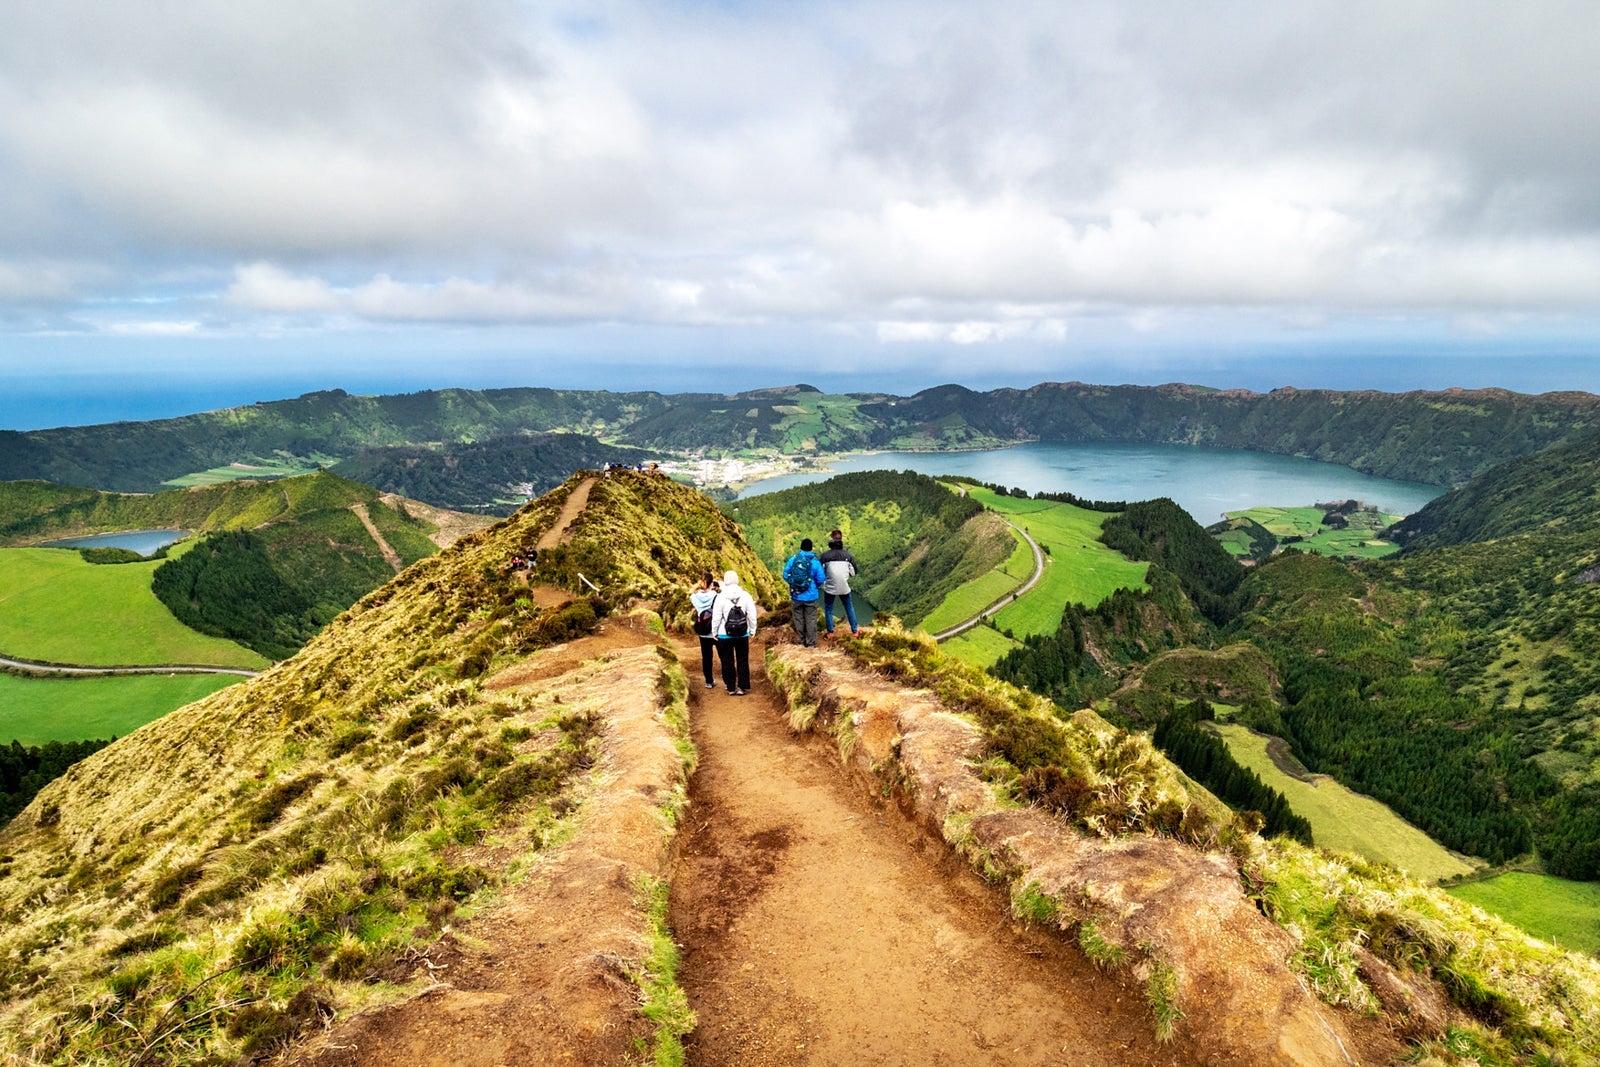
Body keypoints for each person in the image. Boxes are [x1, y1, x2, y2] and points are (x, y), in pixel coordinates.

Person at [710, 569, 758, 695]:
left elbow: (716, 617)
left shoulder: (720, 597)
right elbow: (752, 615)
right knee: (742, 659)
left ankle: (731, 687)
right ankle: (742, 686)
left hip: (724, 634)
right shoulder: (746, 595)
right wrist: (752, 630)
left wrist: (714, 632)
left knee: (727, 660)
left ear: (725, 581)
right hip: (742, 633)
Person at [782, 537, 826, 648]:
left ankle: (801, 641)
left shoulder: (794, 559)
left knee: (798, 619)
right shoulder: (815, 562)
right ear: (811, 549)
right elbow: (821, 578)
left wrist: (793, 583)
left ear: (801, 547)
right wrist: (813, 586)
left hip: (796, 595)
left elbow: (785, 574)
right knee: (811, 620)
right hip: (811, 596)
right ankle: (811, 644)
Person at [818, 530, 860, 637]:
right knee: (849, 607)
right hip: (844, 587)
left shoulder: (825, 556)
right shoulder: (848, 556)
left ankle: (830, 632)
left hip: (830, 587)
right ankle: (855, 631)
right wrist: (844, 576)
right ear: (841, 539)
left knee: (828, 608)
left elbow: (820, 574)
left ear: (831, 539)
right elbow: (854, 573)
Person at [688, 571, 720, 689]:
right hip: (716, 630)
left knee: (706, 657)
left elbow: (691, 594)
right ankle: (728, 682)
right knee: (723, 656)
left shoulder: (694, 597)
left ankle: (709, 681)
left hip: (703, 631)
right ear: (712, 583)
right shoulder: (716, 596)